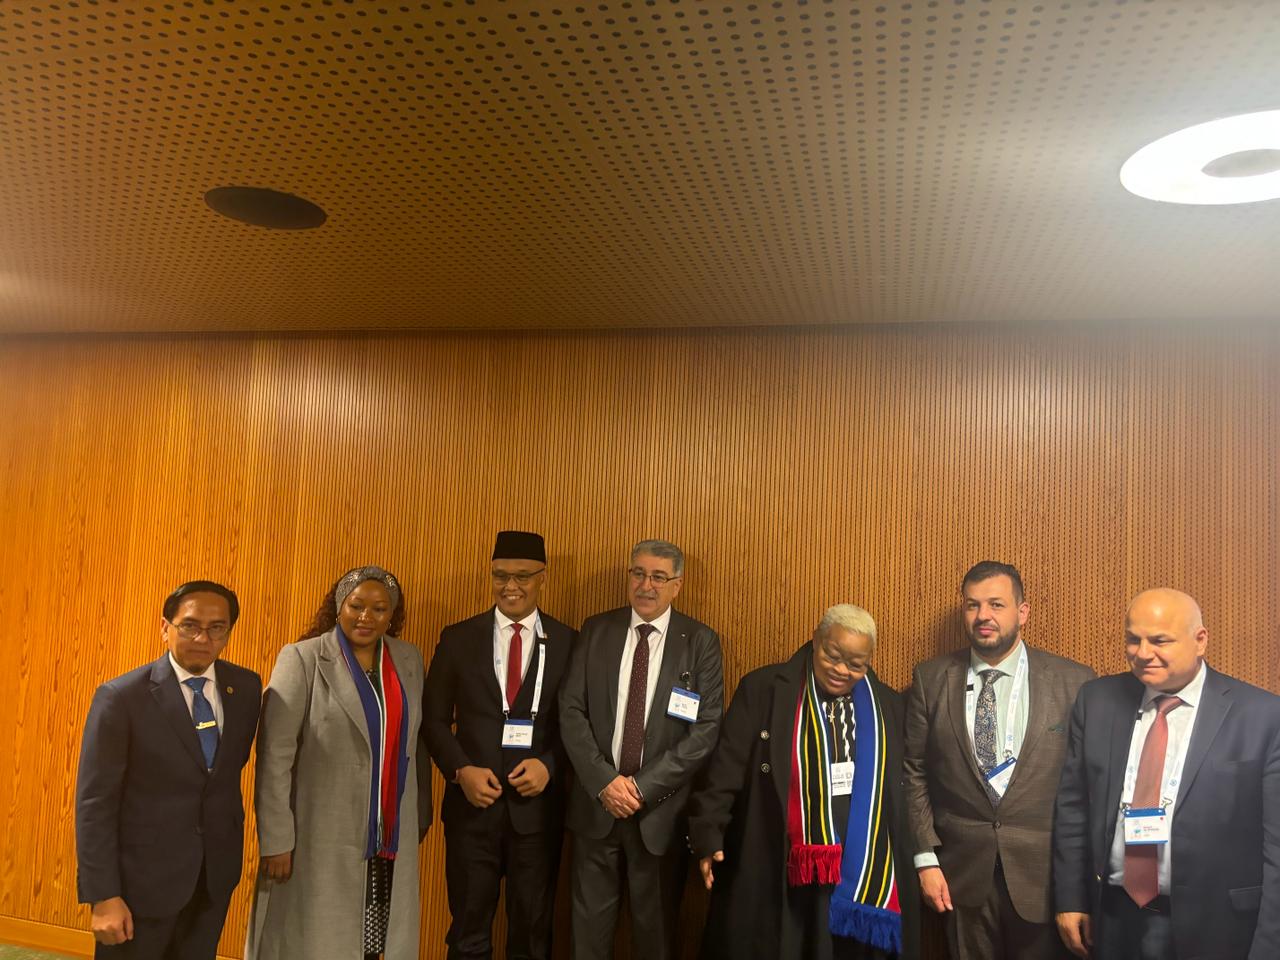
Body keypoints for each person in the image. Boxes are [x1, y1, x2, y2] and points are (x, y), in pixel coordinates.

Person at [1053, 587, 1280, 960]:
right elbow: (1072, 808)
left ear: (1200, 640)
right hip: (1113, 917)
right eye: (1133, 640)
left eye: (1159, 641)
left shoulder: (1263, 716)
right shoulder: (1096, 701)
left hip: (1217, 926)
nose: (1143, 653)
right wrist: (1071, 898)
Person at [688, 604, 921, 960]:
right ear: (816, 640)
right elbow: (725, 770)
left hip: (858, 863)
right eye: (833, 656)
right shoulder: (764, 689)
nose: (841, 670)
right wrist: (708, 833)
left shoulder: (888, 705)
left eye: (856, 664)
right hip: (781, 856)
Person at [903, 561, 1094, 960]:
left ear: (1022, 612)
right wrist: (925, 859)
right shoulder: (931, 679)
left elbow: (1087, 787)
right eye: (972, 605)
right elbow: (914, 772)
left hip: (1045, 881)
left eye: (996, 604)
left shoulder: (1074, 682)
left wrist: (1080, 885)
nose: (983, 616)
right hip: (960, 879)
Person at [246, 566, 428, 960]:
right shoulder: (303, 658)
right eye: (356, 605)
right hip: (319, 833)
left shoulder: (408, 659)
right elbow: (274, 755)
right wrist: (276, 839)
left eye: (379, 609)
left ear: (392, 615)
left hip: (386, 836)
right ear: (339, 606)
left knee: (375, 941)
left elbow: (413, 745)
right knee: (316, 940)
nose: (366, 617)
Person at [75, 579, 262, 959]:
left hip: (213, 878)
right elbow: (95, 803)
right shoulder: (121, 697)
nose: (202, 638)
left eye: (216, 628)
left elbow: (223, 777)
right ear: (165, 627)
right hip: (139, 886)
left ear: (228, 632)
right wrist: (103, 895)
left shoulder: (245, 688)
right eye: (190, 625)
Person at [558, 538, 724, 960]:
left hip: (659, 815)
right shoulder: (597, 630)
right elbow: (571, 709)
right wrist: (605, 782)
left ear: (677, 585)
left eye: (658, 577)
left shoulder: (700, 641)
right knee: (587, 941)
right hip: (596, 808)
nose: (646, 585)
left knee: (656, 941)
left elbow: (705, 730)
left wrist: (640, 787)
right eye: (638, 574)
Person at [424, 531, 577, 960]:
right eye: (500, 576)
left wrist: (549, 765)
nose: (510, 586)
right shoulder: (458, 638)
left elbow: (578, 725)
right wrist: (460, 770)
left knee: (532, 936)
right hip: (472, 813)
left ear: (543, 578)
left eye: (522, 576)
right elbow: (433, 720)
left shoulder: (569, 642)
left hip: (538, 816)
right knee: (467, 935)